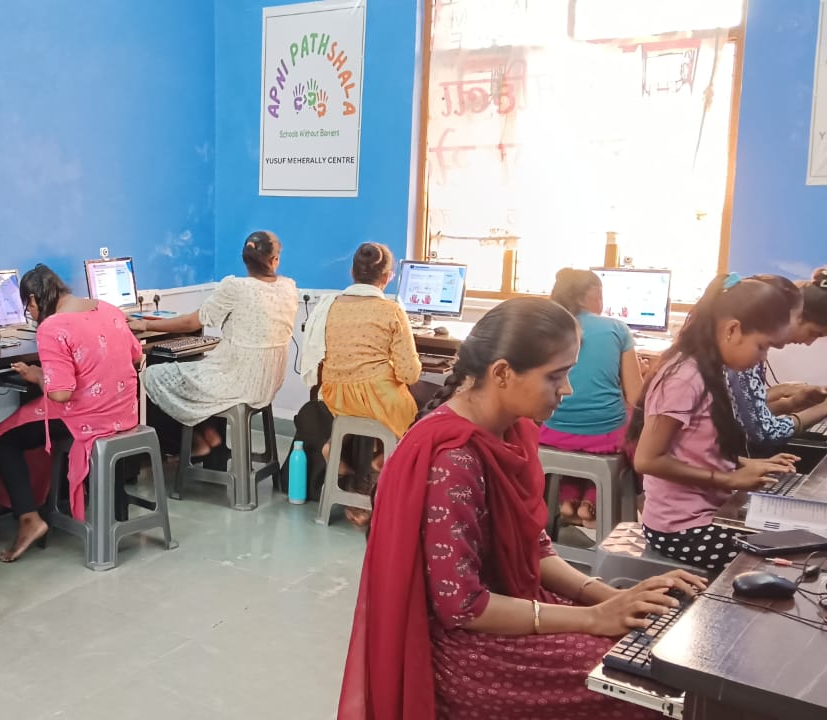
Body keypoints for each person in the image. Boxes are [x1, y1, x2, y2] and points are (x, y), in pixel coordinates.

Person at [338, 297, 705, 720]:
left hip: (511, 606)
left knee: (644, 650)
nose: (567, 390)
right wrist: (593, 619)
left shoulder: (511, 431)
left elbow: (536, 544)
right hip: (461, 653)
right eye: (557, 376)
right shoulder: (453, 461)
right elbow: (464, 607)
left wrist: (610, 598)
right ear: (502, 374)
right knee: (638, 687)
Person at [630, 273, 801, 571]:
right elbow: (646, 460)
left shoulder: (711, 370)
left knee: (801, 540)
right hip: (680, 529)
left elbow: (696, 446)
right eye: (762, 346)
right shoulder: (684, 377)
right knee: (787, 564)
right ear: (733, 330)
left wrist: (747, 465)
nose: (763, 358)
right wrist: (729, 479)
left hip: (710, 512)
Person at [0, 264, 142, 563]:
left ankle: (29, 519)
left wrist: (36, 376)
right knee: (30, 424)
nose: (31, 315)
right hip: (124, 412)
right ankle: (49, 502)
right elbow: (136, 356)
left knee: (3, 438)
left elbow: (61, 394)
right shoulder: (109, 309)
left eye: (28, 308)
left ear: (34, 299)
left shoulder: (52, 327)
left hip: (87, 418)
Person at [132, 230, 298, 458]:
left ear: (244, 259)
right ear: (275, 260)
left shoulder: (235, 287)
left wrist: (143, 326)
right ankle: (209, 436)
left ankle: (190, 446)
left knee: (151, 375)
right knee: (194, 368)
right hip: (266, 384)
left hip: (237, 381)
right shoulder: (289, 287)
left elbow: (192, 322)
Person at [301, 242, 420, 522]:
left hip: (335, 395)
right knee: (418, 405)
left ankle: (350, 459)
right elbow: (410, 374)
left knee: (368, 410)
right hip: (377, 397)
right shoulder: (391, 311)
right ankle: (381, 468)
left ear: (352, 271)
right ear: (387, 277)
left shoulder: (330, 305)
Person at [541, 269, 642, 528]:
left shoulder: (547, 326)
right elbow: (636, 396)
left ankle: (568, 498)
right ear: (594, 295)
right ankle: (593, 501)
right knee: (631, 420)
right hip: (604, 434)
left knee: (577, 437)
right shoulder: (617, 329)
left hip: (551, 432)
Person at [728, 267, 827, 450]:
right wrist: (822, 409)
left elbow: (739, 413)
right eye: (814, 333)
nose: (809, 343)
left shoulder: (742, 348)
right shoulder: (742, 356)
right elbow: (764, 433)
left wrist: (788, 401)